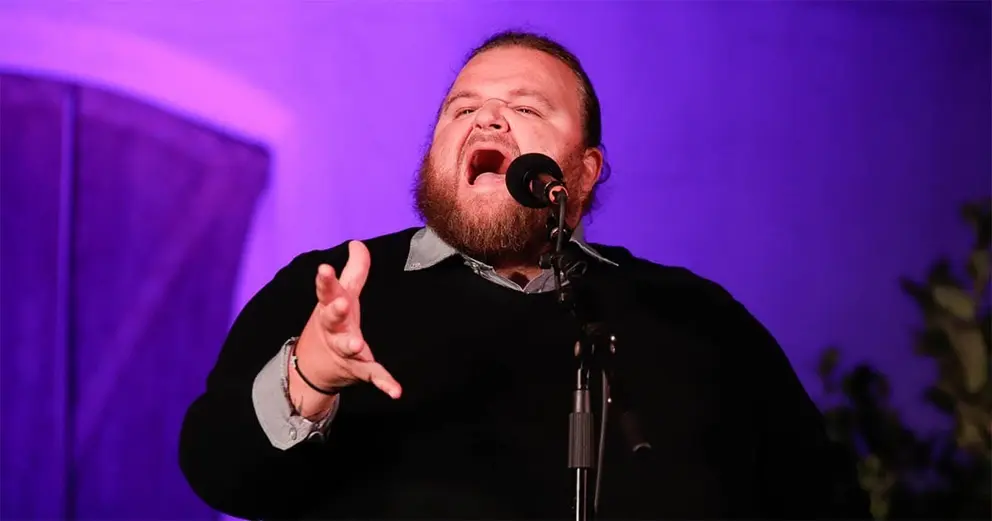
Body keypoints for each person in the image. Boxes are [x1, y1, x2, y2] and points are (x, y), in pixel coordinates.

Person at [179, 31, 869, 520]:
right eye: (462, 107)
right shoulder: (333, 289)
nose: (487, 116)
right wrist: (310, 378)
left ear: (584, 170)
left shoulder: (695, 315)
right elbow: (218, 472)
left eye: (527, 108)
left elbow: (820, 494)